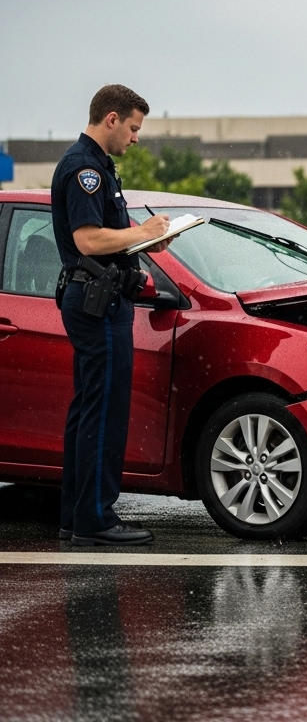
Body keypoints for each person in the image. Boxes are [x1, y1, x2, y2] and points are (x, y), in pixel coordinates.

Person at [53, 85, 172, 546]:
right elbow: (87, 241)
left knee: (89, 409)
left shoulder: (97, 166)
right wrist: (138, 231)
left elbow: (107, 236)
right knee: (103, 412)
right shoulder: (85, 168)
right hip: (96, 302)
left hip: (95, 298)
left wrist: (143, 239)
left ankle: (76, 515)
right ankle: (96, 520)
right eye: (134, 127)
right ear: (111, 119)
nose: (136, 137)